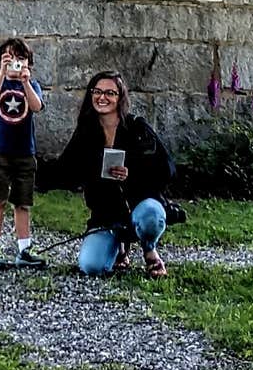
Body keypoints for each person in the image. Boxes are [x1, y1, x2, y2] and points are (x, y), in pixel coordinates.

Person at [42, 70, 174, 275]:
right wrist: (28, 170)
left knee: (151, 217)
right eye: (97, 91)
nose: (102, 97)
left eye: (110, 93)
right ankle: (120, 248)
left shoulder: (137, 127)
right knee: (91, 266)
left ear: (120, 98)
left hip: (140, 205)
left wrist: (132, 173)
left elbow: (166, 169)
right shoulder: (86, 132)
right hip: (106, 216)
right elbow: (65, 169)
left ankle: (150, 250)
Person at [0, 36, 44, 268]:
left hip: (24, 151)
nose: (16, 63)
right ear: (1, 61)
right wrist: (1, 74)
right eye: (10, 58)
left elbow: (36, 106)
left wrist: (26, 82)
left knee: (22, 201)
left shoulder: (32, 85)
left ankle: (24, 247)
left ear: (29, 63)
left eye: (21, 58)